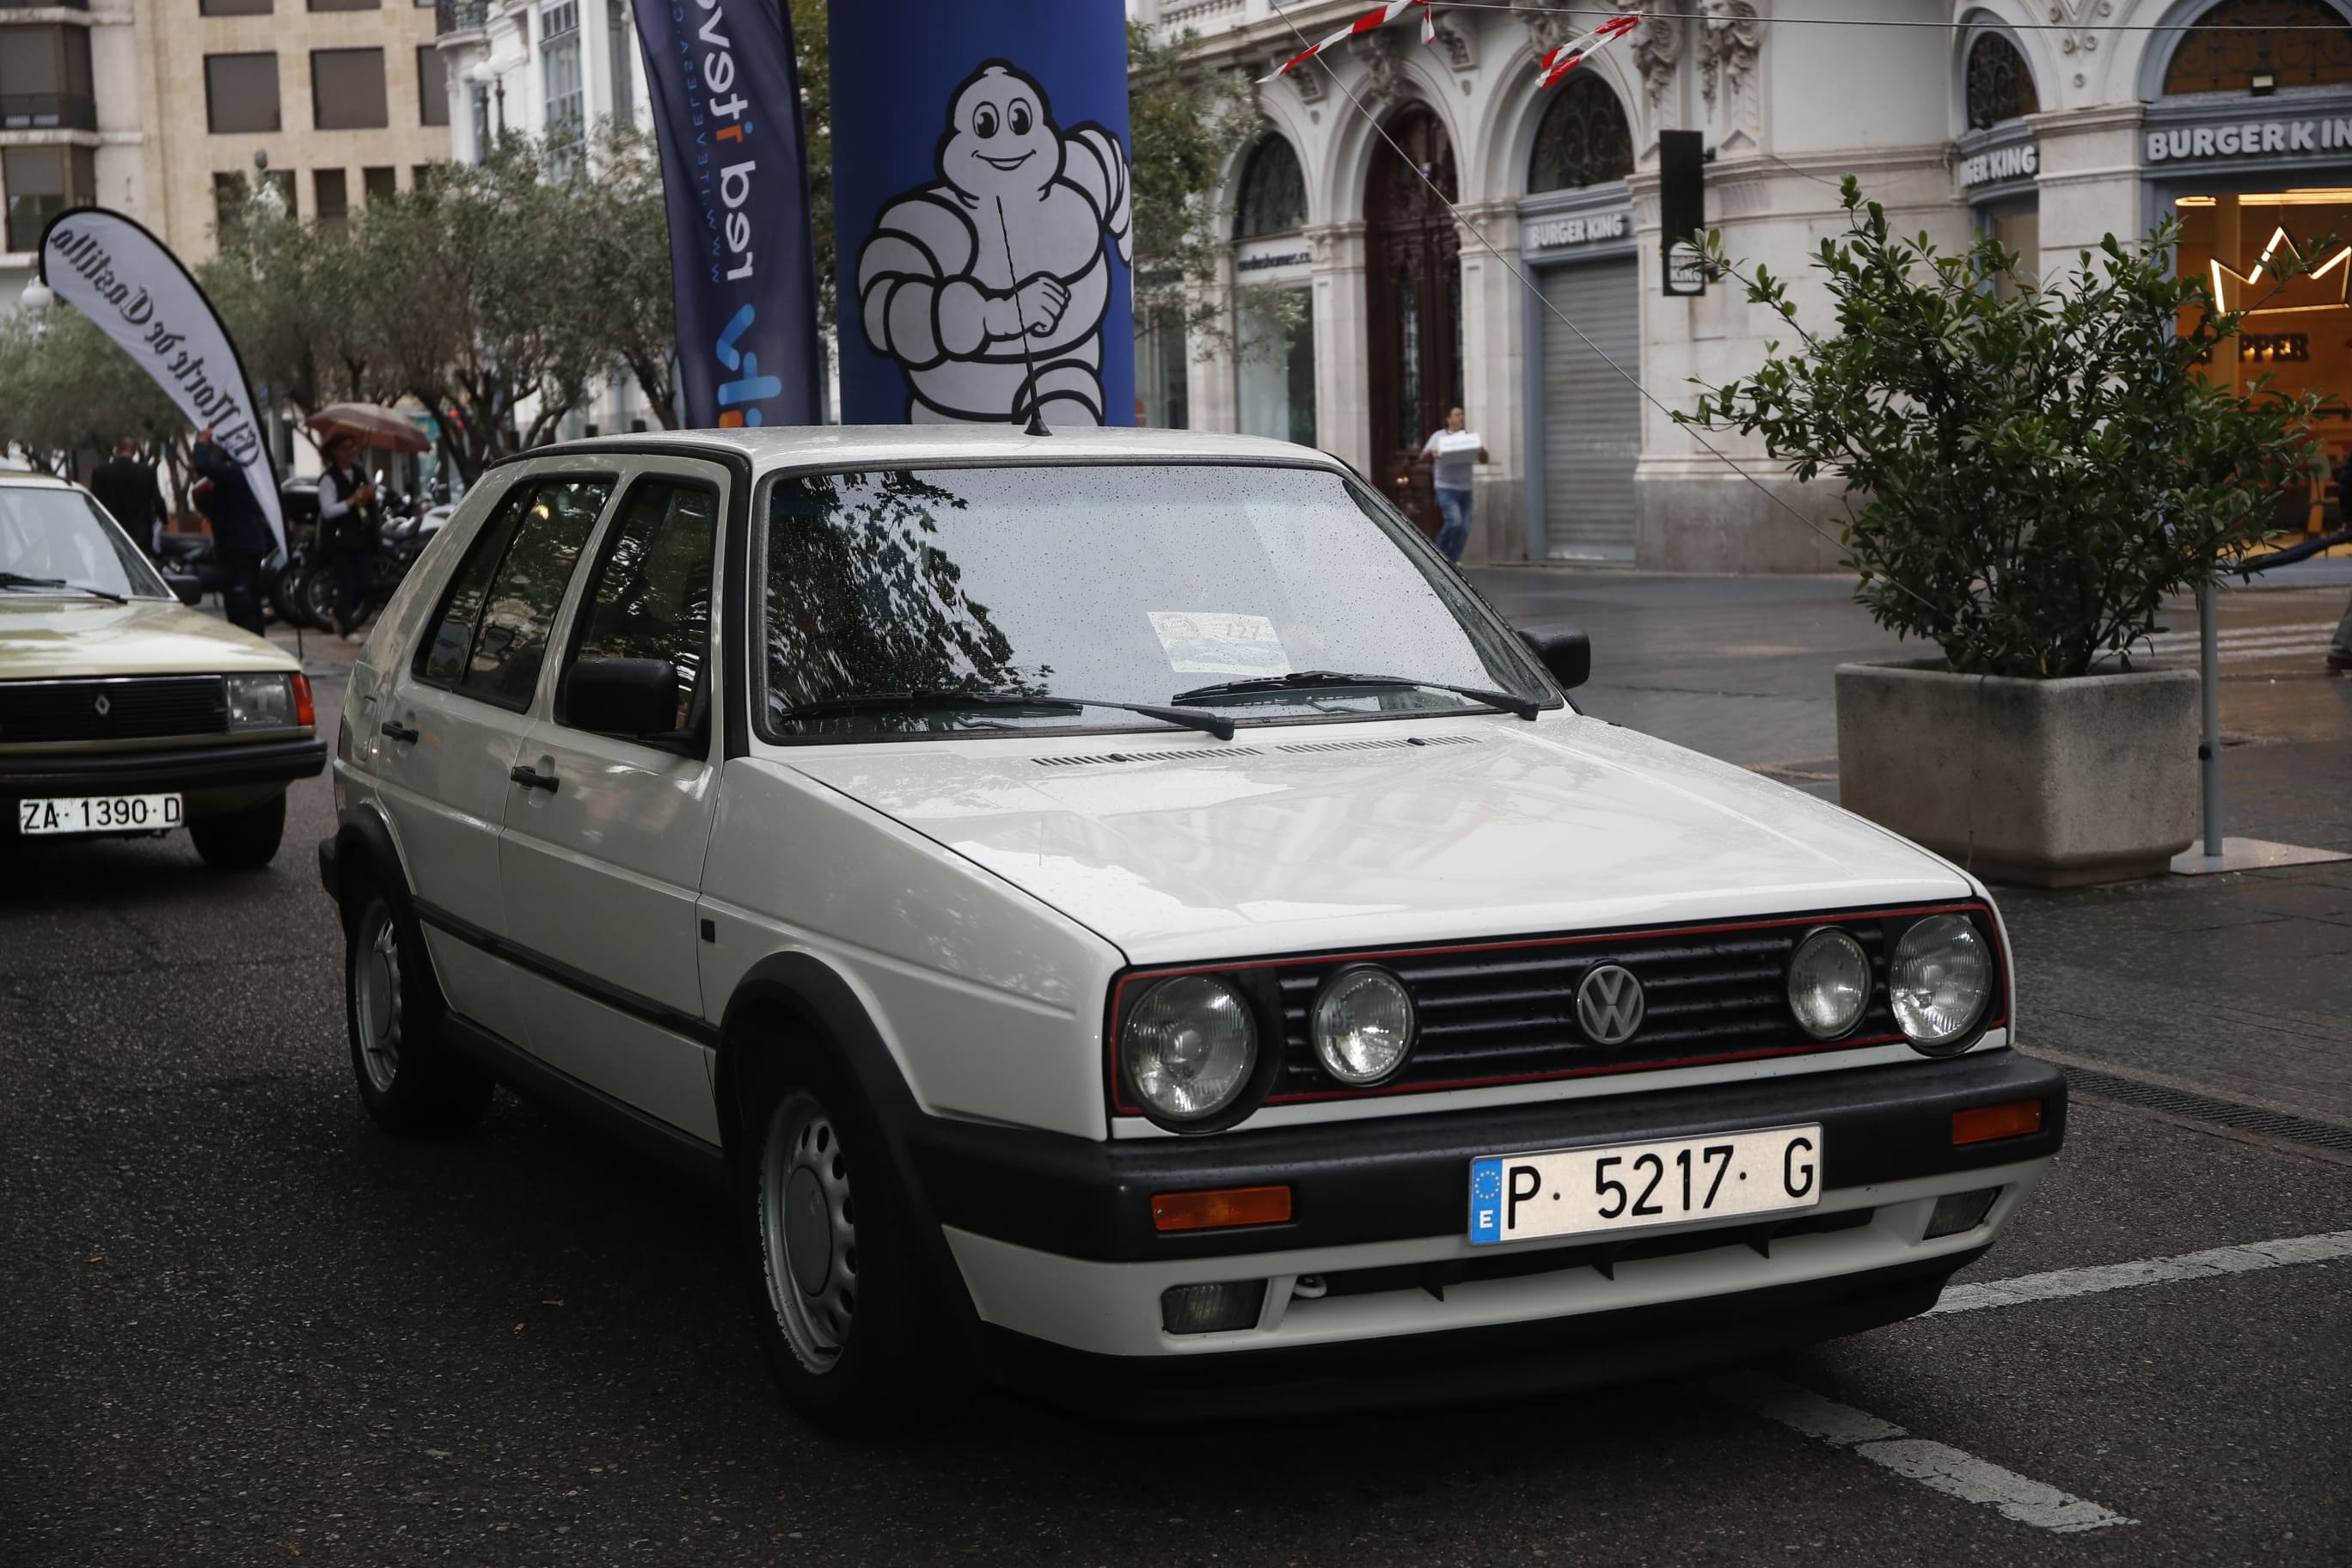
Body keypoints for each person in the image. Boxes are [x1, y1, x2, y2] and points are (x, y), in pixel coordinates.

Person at [188, 429, 274, 637]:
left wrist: (200, 443)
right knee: (249, 598)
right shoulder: (246, 471)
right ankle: (255, 642)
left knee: (241, 601)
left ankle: (249, 644)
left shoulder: (237, 472)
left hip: (239, 545)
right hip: (245, 543)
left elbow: (203, 466)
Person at [317, 433, 379, 644]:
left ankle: (341, 613)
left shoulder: (360, 473)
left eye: (352, 447)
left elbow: (372, 498)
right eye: (345, 448)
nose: (349, 452)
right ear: (335, 451)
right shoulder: (329, 478)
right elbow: (328, 511)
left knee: (366, 582)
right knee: (346, 583)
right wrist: (352, 501)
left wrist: (370, 494)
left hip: (360, 537)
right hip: (339, 540)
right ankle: (347, 626)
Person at [1419, 407, 1488, 564]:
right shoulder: (1439, 436)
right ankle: (1437, 553)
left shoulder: (1469, 437)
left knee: (1464, 528)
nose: (1461, 417)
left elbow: (1484, 460)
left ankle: (1452, 561)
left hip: (1465, 488)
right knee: (1455, 521)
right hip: (1446, 487)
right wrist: (1433, 453)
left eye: (1462, 414)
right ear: (1449, 419)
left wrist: (1480, 450)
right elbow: (1423, 456)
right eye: (1457, 415)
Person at [89, 438, 162, 555]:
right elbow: (158, 502)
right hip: (140, 537)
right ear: (134, 451)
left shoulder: (100, 472)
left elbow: (93, 505)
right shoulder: (147, 472)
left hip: (109, 534)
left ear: (117, 449)